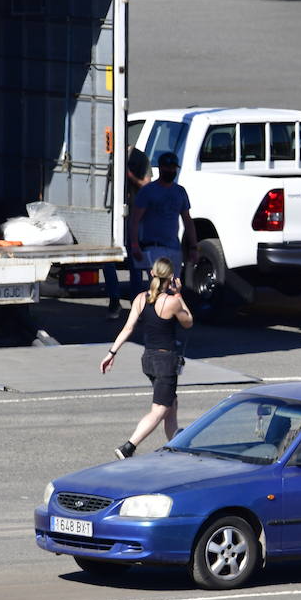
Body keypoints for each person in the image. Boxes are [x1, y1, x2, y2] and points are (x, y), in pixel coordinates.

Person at [104, 258, 194, 458]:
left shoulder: (139, 299)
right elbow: (188, 322)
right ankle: (129, 447)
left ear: (152, 274)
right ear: (170, 278)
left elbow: (128, 328)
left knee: (171, 404)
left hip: (148, 360)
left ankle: (175, 448)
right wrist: (179, 293)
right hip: (165, 362)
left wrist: (112, 353)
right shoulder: (173, 301)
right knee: (160, 409)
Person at [128, 150, 198, 278]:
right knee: (158, 288)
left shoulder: (180, 192)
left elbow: (188, 221)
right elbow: (135, 220)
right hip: (154, 248)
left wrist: (193, 247)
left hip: (174, 248)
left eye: (173, 168)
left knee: (173, 289)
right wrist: (135, 245)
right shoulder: (148, 191)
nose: (171, 171)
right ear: (160, 168)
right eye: (168, 168)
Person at [105, 147, 151, 318]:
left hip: (133, 216)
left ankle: (136, 304)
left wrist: (129, 175)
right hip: (111, 216)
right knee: (108, 260)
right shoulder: (107, 155)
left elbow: (146, 184)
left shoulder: (139, 157)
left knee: (134, 260)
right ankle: (114, 300)